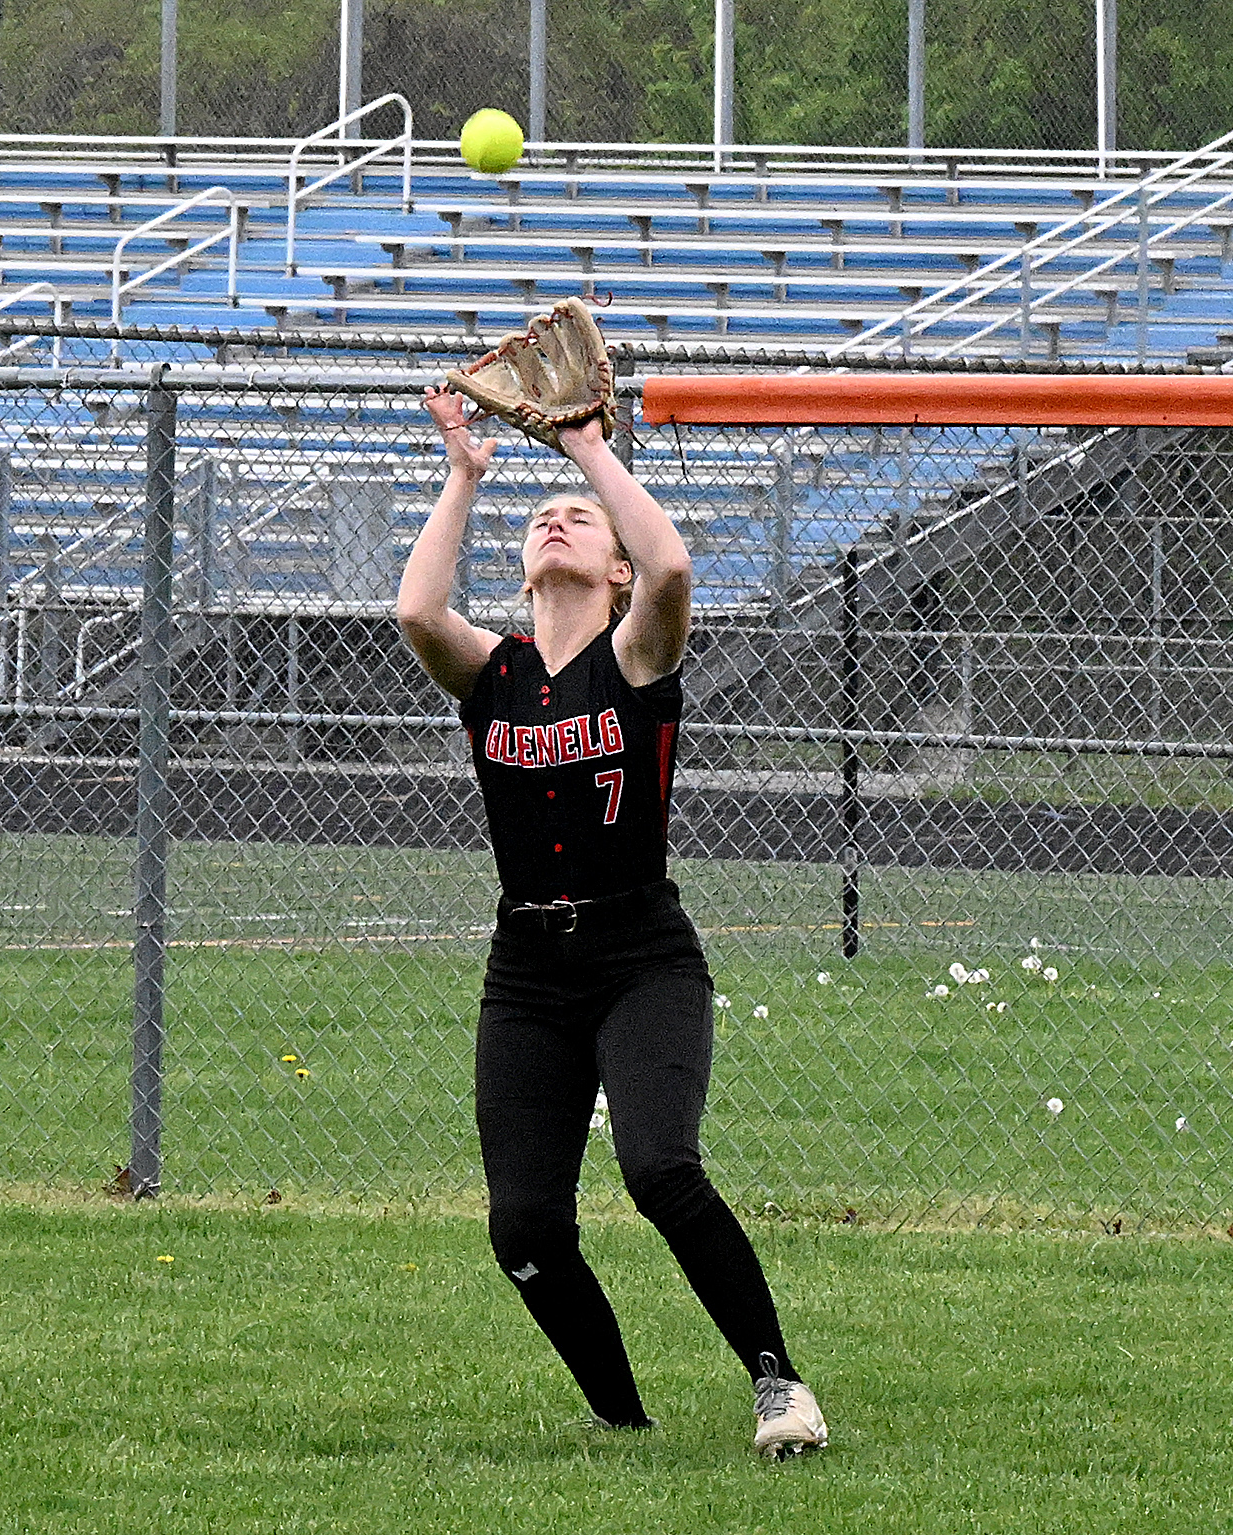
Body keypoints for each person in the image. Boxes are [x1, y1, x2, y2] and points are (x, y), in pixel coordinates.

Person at [393, 384, 828, 1458]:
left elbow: (674, 568)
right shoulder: (491, 675)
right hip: (529, 969)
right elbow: (413, 611)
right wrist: (464, 474)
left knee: (659, 1169)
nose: (558, 521)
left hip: (642, 956)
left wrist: (590, 452)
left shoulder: (636, 652)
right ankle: (620, 1414)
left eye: (579, 518)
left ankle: (779, 1382)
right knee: (525, 1226)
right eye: (542, 518)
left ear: (615, 567)